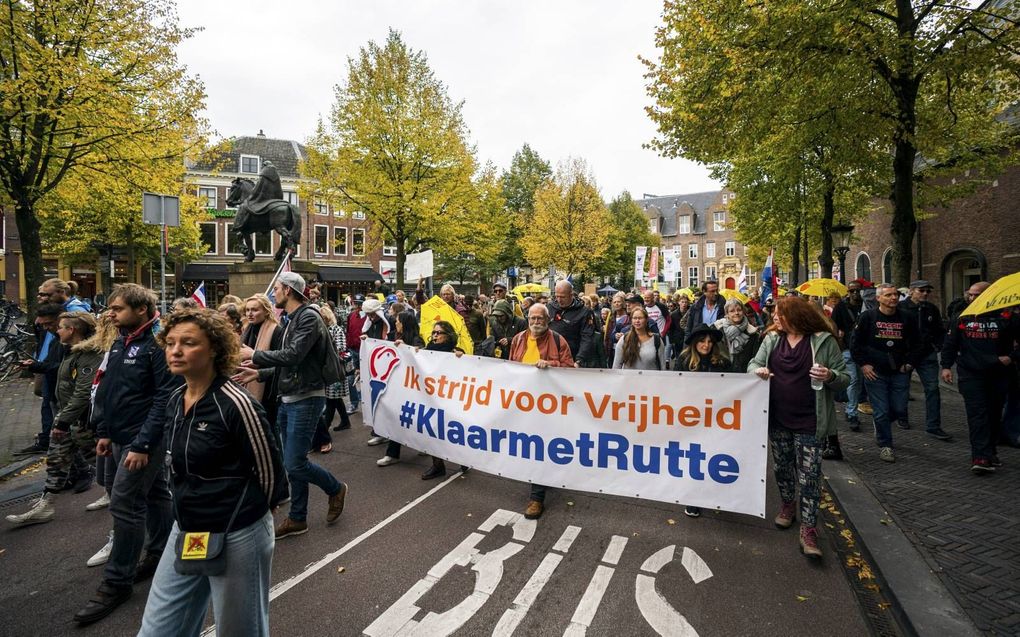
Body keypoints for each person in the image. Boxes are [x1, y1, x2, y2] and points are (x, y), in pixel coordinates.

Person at [138, 308, 286, 637]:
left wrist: (252, 518)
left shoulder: (236, 403)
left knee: (238, 629)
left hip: (236, 530)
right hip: (188, 528)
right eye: (170, 342)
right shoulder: (175, 399)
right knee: (158, 629)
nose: (175, 351)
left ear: (215, 350)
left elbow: (269, 469)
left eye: (188, 343)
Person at [74, 284, 180, 626]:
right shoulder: (121, 340)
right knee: (156, 493)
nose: (110, 314)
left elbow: (163, 399)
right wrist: (103, 430)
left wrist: (143, 444)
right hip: (119, 436)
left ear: (141, 310)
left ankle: (117, 581)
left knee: (124, 502)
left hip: (140, 440)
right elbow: (108, 386)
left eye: (117, 308)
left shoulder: (156, 345)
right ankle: (161, 549)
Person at [235, 272, 348, 540]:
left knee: (294, 463)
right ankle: (298, 518)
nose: (274, 293)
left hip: (306, 398)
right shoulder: (292, 319)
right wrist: (259, 373)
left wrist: (256, 356)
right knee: (294, 462)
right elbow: (293, 363)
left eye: (277, 289)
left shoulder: (308, 317)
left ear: (287, 290)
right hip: (289, 397)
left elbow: (293, 354)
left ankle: (335, 488)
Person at [748, 296, 849, 558]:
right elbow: (753, 364)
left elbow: (844, 378)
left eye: (780, 315)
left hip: (810, 421)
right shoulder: (772, 339)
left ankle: (809, 527)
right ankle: (787, 505)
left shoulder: (823, 342)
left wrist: (830, 375)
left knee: (809, 476)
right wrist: (759, 371)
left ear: (795, 316)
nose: (774, 318)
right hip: (778, 418)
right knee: (782, 468)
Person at [6, 311, 101, 526]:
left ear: (72, 330)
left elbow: (83, 392)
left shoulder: (89, 354)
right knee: (56, 460)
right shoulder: (69, 350)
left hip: (84, 422)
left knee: (105, 463)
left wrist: (63, 420)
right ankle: (45, 505)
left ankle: (118, 498)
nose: (57, 330)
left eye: (61, 327)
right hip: (68, 419)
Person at [941, 286, 1020, 473]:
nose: (972, 297)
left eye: (978, 294)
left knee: (993, 413)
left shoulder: (1007, 318)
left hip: (999, 374)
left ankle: (990, 450)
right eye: (970, 294)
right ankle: (980, 457)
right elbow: (950, 344)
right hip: (971, 374)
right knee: (977, 414)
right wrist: (945, 366)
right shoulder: (962, 317)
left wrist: (1012, 357)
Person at [512, 303, 574, 520]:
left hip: (548, 405)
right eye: (532, 318)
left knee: (539, 445)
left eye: (540, 318)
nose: (536, 322)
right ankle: (543, 477)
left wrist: (550, 364)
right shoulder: (518, 339)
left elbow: (570, 368)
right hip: (524, 403)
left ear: (548, 320)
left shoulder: (558, 340)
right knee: (528, 444)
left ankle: (536, 498)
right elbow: (511, 367)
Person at [378, 320, 464, 478]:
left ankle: (464, 459)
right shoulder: (427, 350)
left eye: (439, 333)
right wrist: (406, 349)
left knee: (452, 433)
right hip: (430, 398)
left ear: (448, 335)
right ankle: (438, 466)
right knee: (432, 430)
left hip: (449, 400)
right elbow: (413, 359)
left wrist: (460, 356)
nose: (435, 335)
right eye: (434, 332)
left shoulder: (456, 352)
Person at [851, 283, 924, 463]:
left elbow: (917, 343)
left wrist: (909, 363)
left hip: (899, 371)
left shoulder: (907, 318)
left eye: (895, 295)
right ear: (878, 299)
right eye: (888, 295)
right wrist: (864, 365)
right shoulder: (868, 317)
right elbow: (856, 344)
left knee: (899, 409)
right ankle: (886, 445)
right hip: (875, 372)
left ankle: (880, 423)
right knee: (882, 410)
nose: (893, 298)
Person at [675, 323, 733, 517]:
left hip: (716, 418)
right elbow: (673, 386)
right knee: (694, 458)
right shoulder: (683, 360)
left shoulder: (723, 363)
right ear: (694, 342)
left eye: (709, 341)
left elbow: (736, 387)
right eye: (702, 341)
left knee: (713, 456)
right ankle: (693, 498)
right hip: (690, 419)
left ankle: (714, 494)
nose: (706, 345)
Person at [12, 301, 66, 459]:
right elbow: (51, 362)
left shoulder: (67, 341)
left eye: (48, 323)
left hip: (63, 392)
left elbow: (62, 367)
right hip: (54, 388)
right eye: (42, 324)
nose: (45, 328)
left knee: (65, 440)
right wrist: (34, 365)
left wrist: (38, 367)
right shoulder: (56, 339)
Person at [899, 280, 952, 441]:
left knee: (932, 389)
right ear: (911, 291)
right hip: (906, 355)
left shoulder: (931, 309)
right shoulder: (901, 309)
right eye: (921, 290)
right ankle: (902, 416)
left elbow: (939, 330)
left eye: (927, 291)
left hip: (927, 355)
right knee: (902, 388)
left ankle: (933, 426)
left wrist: (937, 346)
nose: (925, 294)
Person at [240, 294, 284, 432]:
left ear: (266, 311)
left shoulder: (276, 331)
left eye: (254, 310)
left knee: (268, 429)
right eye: (247, 310)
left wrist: (257, 362)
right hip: (247, 384)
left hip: (268, 390)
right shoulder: (247, 330)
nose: (250, 314)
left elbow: (281, 362)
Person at [313, 304, 350, 453]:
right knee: (334, 398)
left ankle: (325, 428)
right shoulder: (323, 330)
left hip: (334, 369)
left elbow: (341, 348)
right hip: (326, 369)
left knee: (331, 400)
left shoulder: (336, 329)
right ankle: (345, 421)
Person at [831, 281, 864, 431]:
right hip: (848, 349)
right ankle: (852, 413)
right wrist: (839, 341)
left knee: (861, 381)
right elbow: (833, 326)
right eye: (852, 291)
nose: (855, 294)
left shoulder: (867, 306)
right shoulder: (841, 307)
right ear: (848, 293)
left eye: (858, 291)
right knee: (853, 380)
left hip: (864, 350)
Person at [547, 280, 595, 368]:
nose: (559, 300)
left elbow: (587, 337)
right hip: (551, 357)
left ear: (571, 295)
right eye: (557, 296)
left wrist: (579, 360)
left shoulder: (584, 312)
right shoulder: (550, 307)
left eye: (563, 297)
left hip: (571, 358)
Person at [713, 299, 761, 373]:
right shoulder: (717, 330)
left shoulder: (753, 333)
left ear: (743, 311)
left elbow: (755, 358)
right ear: (727, 314)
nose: (736, 313)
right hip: (721, 374)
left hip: (744, 375)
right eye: (732, 311)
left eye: (739, 310)